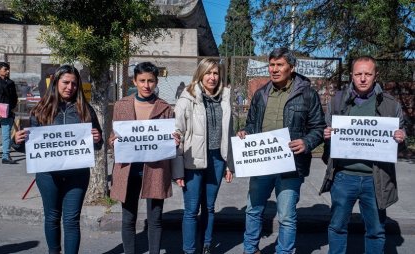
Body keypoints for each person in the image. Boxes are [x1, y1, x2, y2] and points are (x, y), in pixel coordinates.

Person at [237, 48, 325, 254]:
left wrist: (306, 142)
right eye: (271, 65)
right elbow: (251, 124)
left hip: (291, 166)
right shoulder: (260, 94)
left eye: (280, 65)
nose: (274, 70)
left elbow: (319, 127)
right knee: (253, 210)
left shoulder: (307, 94)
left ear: (291, 68)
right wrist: (245, 132)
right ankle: (250, 249)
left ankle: (284, 251)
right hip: (262, 164)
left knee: (286, 216)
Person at [320, 56, 407, 254]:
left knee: (376, 231)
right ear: (351, 75)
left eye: (367, 74)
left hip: (375, 179)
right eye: (358, 74)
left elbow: (401, 142)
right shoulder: (337, 100)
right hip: (343, 177)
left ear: (375, 76)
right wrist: (327, 135)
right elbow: (326, 134)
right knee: (337, 227)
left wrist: (401, 138)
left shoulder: (390, 104)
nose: (362, 78)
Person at [14, 65, 103, 254]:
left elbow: (97, 143)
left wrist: (97, 139)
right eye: (65, 82)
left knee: (71, 220)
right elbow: (32, 146)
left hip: (77, 176)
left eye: (73, 83)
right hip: (47, 175)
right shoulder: (40, 110)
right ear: (56, 83)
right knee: (52, 217)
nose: (69, 87)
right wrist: (17, 142)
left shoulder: (86, 110)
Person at [109, 62, 178, 254]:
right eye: (142, 81)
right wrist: (112, 140)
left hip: (155, 169)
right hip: (128, 169)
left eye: (151, 81)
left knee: (155, 219)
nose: (146, 85)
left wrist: (174, 140)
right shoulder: (121, 105)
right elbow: (114, 136)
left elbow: (168, 140)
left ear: (156, 82)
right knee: (128, 218)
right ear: (134, 81)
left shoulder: (164, 108)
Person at [174, 58, 234, 254]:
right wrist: (178, 170)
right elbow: (177, 135)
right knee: (191, 210)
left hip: (217, 159)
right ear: (200, 74)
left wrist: (229, 164)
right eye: (208, 73)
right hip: (192, 160)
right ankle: (189, 250)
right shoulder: (187, 99)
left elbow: (230, 132)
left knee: (209, 207)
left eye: (216, 73)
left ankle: (206, 245)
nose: (212, 77)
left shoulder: (225, 98)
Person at [0, 62, 18, 164]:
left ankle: (6, 156)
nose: (7, 71)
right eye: (5, 69)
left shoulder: (11, 83)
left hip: (7, 112)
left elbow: (14, 97)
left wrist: (12, 108)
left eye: (8, 69)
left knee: (6, 134)